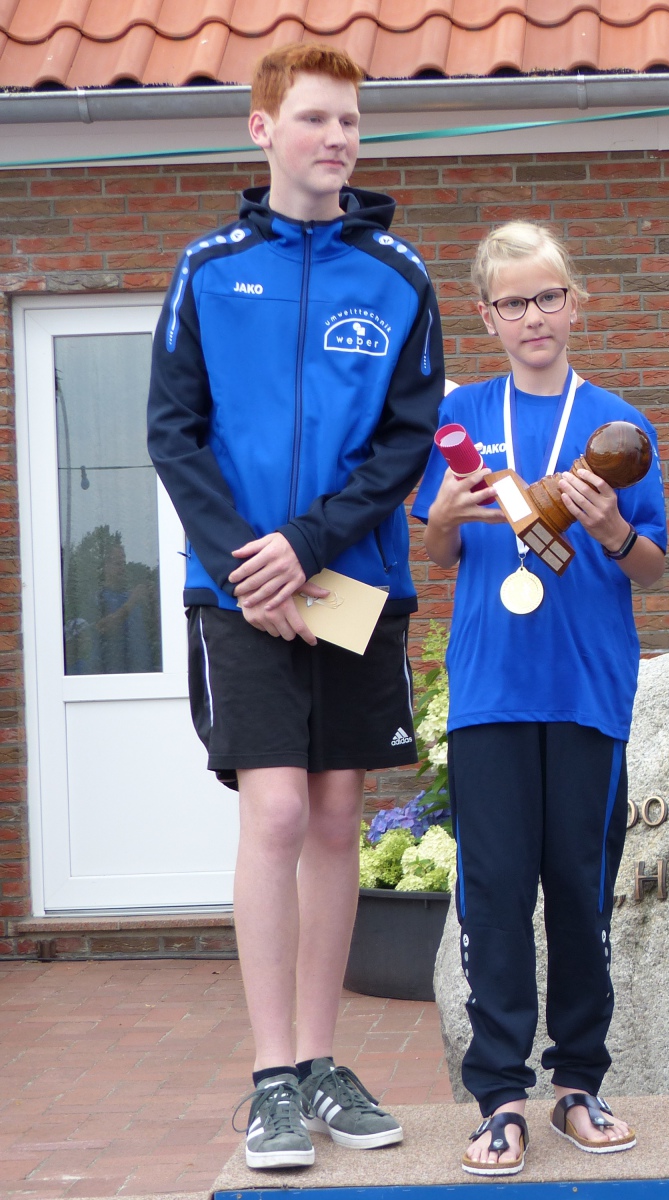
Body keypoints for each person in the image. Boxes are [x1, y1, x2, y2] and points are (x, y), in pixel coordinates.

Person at [146, 43, 442, 1170]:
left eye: (350, 121)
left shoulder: (398, 275)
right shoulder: (208, 269)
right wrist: (246, 564)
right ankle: (272, 1075)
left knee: (332, 818)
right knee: (272, 814)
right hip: (236, 590)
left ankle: (320, 1063)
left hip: (351, 581)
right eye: (315, 118)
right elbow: (173, 430)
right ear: (263, 129)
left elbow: (404, 442)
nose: (337, 139)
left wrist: (304, 549)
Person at [412, 221, 667, 1175]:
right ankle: (500, 1097)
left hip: (587, 689)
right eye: (513, 302)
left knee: (582, 895)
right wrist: (443, 515)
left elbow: (652, 567)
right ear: (486, 316)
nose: (533, 317)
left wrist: (610, 531)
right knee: (494, 897)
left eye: (548, 296)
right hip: (489, 690)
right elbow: (438, 552)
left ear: (575, 303)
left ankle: (579, 1086)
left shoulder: (619, 425)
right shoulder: (461, 415)